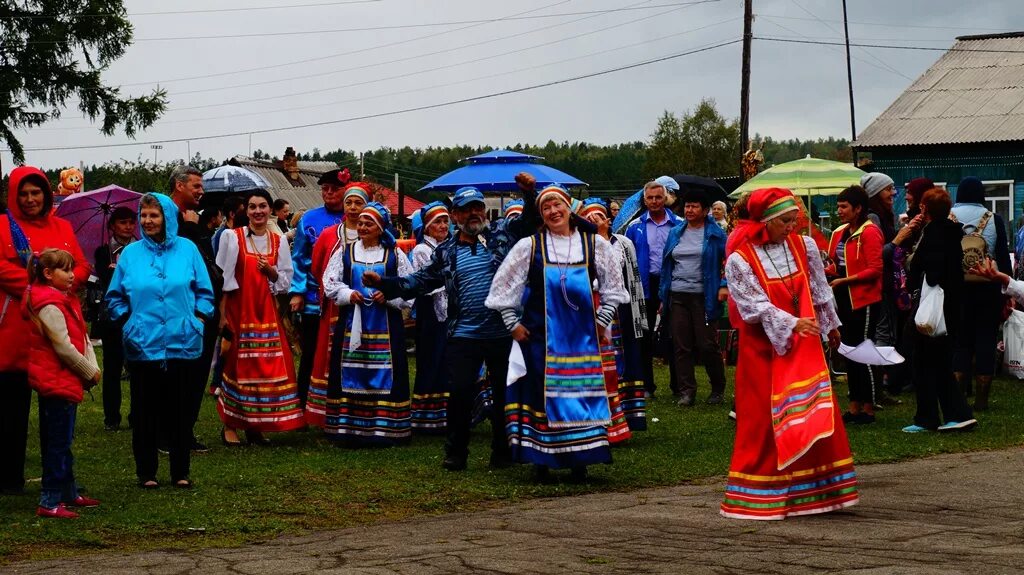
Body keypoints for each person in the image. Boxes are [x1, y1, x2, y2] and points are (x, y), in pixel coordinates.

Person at [364, 176, 542, 471]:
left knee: (502, 394)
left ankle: (502, 452)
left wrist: (528, 192)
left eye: (478, 208)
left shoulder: (502, 234)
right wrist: (385, 283)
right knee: (459, 393)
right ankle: (456, 453)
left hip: (502, 332)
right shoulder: (446, 251)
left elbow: (529, 221)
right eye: (466, 210)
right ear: (455, 215)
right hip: (463, 334)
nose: (474, 214)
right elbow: (419, 281)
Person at [721, 187, 858, 520]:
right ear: (766, 221)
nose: (791, 226)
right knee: (765, 419)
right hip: (763, 350)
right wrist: (792, 323)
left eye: (794, 219)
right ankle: (766, 492)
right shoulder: (741, 259)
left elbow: (819, 291)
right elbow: (753, 306)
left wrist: (831, 326)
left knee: (814, 410)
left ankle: (819, 490)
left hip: (804, 345)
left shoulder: (804, 246)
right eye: (785, 221)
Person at [486, 185, 628, 480]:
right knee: (541, 395)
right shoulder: (530, 246)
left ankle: (581, 460)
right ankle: (542, 460)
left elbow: (614, 289)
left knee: (581, 396)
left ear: (569, 208)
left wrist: (602, 322)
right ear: (541, 215)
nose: (553, 211)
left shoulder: (594, 244)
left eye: (557, 205)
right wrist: (513, 324)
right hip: (542, 338)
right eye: (546, 208)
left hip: (582, 341)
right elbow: (502, 289)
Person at [105, 193, 215, 489]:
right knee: (144, 411)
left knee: (180, 410)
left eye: (154, 215)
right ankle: (147, 472)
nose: (147, 221)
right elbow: (114, 298)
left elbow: (205, 292)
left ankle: (180, 470)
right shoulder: (130, 255)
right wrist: (128, 323)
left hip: (183, 341)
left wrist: (198, 319)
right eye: (144, 215)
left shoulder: (188, 250)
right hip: (143, 343)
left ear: (167, 216)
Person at [0, 165, 90, 495]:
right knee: (11, 411)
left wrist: (65, 282)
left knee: (57, 411)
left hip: (55, 335)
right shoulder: (2, 228)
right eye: (22, 193)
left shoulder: (63, 226)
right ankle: (9, 478)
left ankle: (58, 478)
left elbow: (80, 265)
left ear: (46, 194)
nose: (29, 199)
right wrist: (43, 287)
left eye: (35, 192)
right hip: (15, 332)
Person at [215, 190, 304, 445]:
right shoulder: (233, 238)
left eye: (263, 206)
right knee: (237, 366)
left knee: (264, 369)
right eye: (252, 207)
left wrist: (272, 272)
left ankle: (255, 426)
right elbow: (222, 279)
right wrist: (222, 318)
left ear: (270, 210)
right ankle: (230, 424)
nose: (257, 211)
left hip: (266, 312)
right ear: (246, 211)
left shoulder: (278, 242)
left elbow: (285, 282)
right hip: (239, 309)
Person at [322, 202, 414, 446]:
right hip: (353, 322)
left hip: (386, 325)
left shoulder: (395, 255)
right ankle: (348, 428)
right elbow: (329, 282)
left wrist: (389, 295)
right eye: (360, 222)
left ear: (381, 228)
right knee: (351, 370)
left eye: (368, 223)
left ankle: (384, 429)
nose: (362, 227)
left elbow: (410, 287)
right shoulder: (346, 251)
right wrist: (348, 293)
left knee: (386, 371)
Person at [23, 249, 101, 519]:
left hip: (62, 379)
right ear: (48, 274)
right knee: (58, 441)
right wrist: (89, 371)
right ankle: (50, 499)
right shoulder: (50, 306)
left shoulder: (62, 300)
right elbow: (64, 347)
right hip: (57, 379)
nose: (72, 275)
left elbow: (82, 336)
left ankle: (68, 491)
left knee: (62, 439)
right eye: (66, 270)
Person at [902, 188, 977, 433]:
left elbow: (933, 272)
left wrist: (915, 272)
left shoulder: (933, 233)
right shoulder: (953, 232)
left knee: (925, 362)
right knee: (939, 362)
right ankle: (952, 414)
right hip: (953, 305)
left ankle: (931, 417)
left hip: (936, 307)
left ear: (924, 209)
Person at [303, 181, 369, 424]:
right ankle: (328, 412)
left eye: (358, 203)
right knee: (331, 355)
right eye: (349, 202)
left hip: (366, 304)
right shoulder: (330, 235)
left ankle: (359, 408)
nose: (352, 208)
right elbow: (317, 266)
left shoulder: (376, 234)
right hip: (334, 306)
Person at [579, 198, 644, 435]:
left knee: (622, 357)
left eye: (598, 215)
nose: (593, 219)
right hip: (592, 308)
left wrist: (639, 314)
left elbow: (634, 278)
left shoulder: (623, 243)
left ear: (608, 220)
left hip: (621, 311)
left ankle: (626, 415)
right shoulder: (581, 245)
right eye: (589, 216)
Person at [658, 187, 728, 407]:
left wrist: (724, 285)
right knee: (681, 345)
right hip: (677, 294)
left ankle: (717, 388)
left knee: (707, 344)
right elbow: (666, 265)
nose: (689, 210)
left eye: (694, 206)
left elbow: (728, 262)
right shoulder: (675, 233)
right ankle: (687, 390)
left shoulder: (716, 234)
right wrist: (663, 296)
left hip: (704, 297)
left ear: (705, 210)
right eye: (687, 206)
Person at [290, 169, 352, 412]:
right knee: (311, 352)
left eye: (333, 189)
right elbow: (299, 258)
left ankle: (342, 403)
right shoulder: (310, 218)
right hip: (316, 299)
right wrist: (297, 292)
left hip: (349, 298)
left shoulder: (358, 217)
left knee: (344, 351)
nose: (328, 193)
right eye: (324, 189)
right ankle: (303, 404)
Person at [169, 165, 219, 453]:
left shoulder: (193, 219)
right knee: (181, 375)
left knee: (196, 374)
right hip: (181, 308)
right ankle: (173, 432)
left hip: (201, 305)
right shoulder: (172, 219)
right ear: (179, 185)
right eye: (196, 186)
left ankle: (184, 429)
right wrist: (189, 228)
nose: (201, 191)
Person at [825, 186, 884, 424]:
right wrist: (826, 271)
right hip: (844, 299)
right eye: (838, 206)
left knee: (862, 351)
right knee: (848, 350)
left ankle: (869, 407)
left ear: (858, 208)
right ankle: (854, 406)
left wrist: (845, 280)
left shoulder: (870, 232)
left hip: (865, 299)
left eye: (844, 207)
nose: (839, 211)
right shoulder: (840, 232)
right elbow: (838, 264)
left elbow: (875, 269)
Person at [950, 176, 1011, 410]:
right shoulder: (994, 219)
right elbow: (1004, 260)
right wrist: (1006, 292)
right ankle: (982, 400)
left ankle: (959, 397)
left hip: (957, 291)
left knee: (960, 340)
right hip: (988, 288)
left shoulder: (949, 217)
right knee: (986, 338)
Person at [624, 180, 681, 397]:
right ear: (644, 200)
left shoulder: (678, 224)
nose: (655, 201)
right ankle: (647, 385)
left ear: (665, 198)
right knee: (643, 336)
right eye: (650, 198)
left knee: (675, 334)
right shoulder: (634, 226)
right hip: (643, 286)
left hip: (672, 283)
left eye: (659, 197)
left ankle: (679, 386)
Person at [886, 177, 934, 396]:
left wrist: (902, 236)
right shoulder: (917, 220)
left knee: (911, 334)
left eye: (910, 193)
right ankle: (908, 377)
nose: (905, 197)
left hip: (917, 285)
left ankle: (901, 379)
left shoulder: (922, 222)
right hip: (913, 285)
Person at [408, 202, 452, 433]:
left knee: (448, 358)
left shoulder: (450, 246)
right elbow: (426, 283)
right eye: (438, 222)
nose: (443, 225)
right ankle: (427, 415)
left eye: (445, 221)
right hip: (431, 312)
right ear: (426, 227)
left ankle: (448, 412)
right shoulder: (423, 250)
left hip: (450, 310)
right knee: (432, 357)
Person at [94, 206, 137, 431]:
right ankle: (112, 417)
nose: (128, 226)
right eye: (123, 222)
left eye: (131, 222)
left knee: (138, 368)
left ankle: (136, 415)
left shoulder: (142, 249)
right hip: (112, 317)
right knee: (112, 368)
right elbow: (105, 276)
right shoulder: (103, 251)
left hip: (137, 314)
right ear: (112, 226)